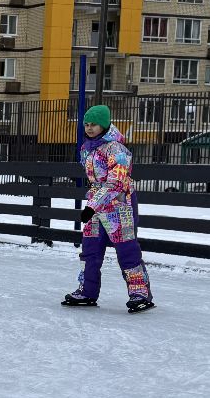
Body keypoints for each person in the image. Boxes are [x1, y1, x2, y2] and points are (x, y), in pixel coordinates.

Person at [63, 106, 155, 312]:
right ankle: (87, 291)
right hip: (96, 206)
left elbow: (116, 182)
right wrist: (93, 205)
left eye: (93, 124)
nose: (89, 128)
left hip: (119, 206)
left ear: (104, 124)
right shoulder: (87, 148)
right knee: (90, 250)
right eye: (86, 124)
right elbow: (95, 180)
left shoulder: (117, 149)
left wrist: (91, 205)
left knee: (127, 250)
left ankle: (140, 292)